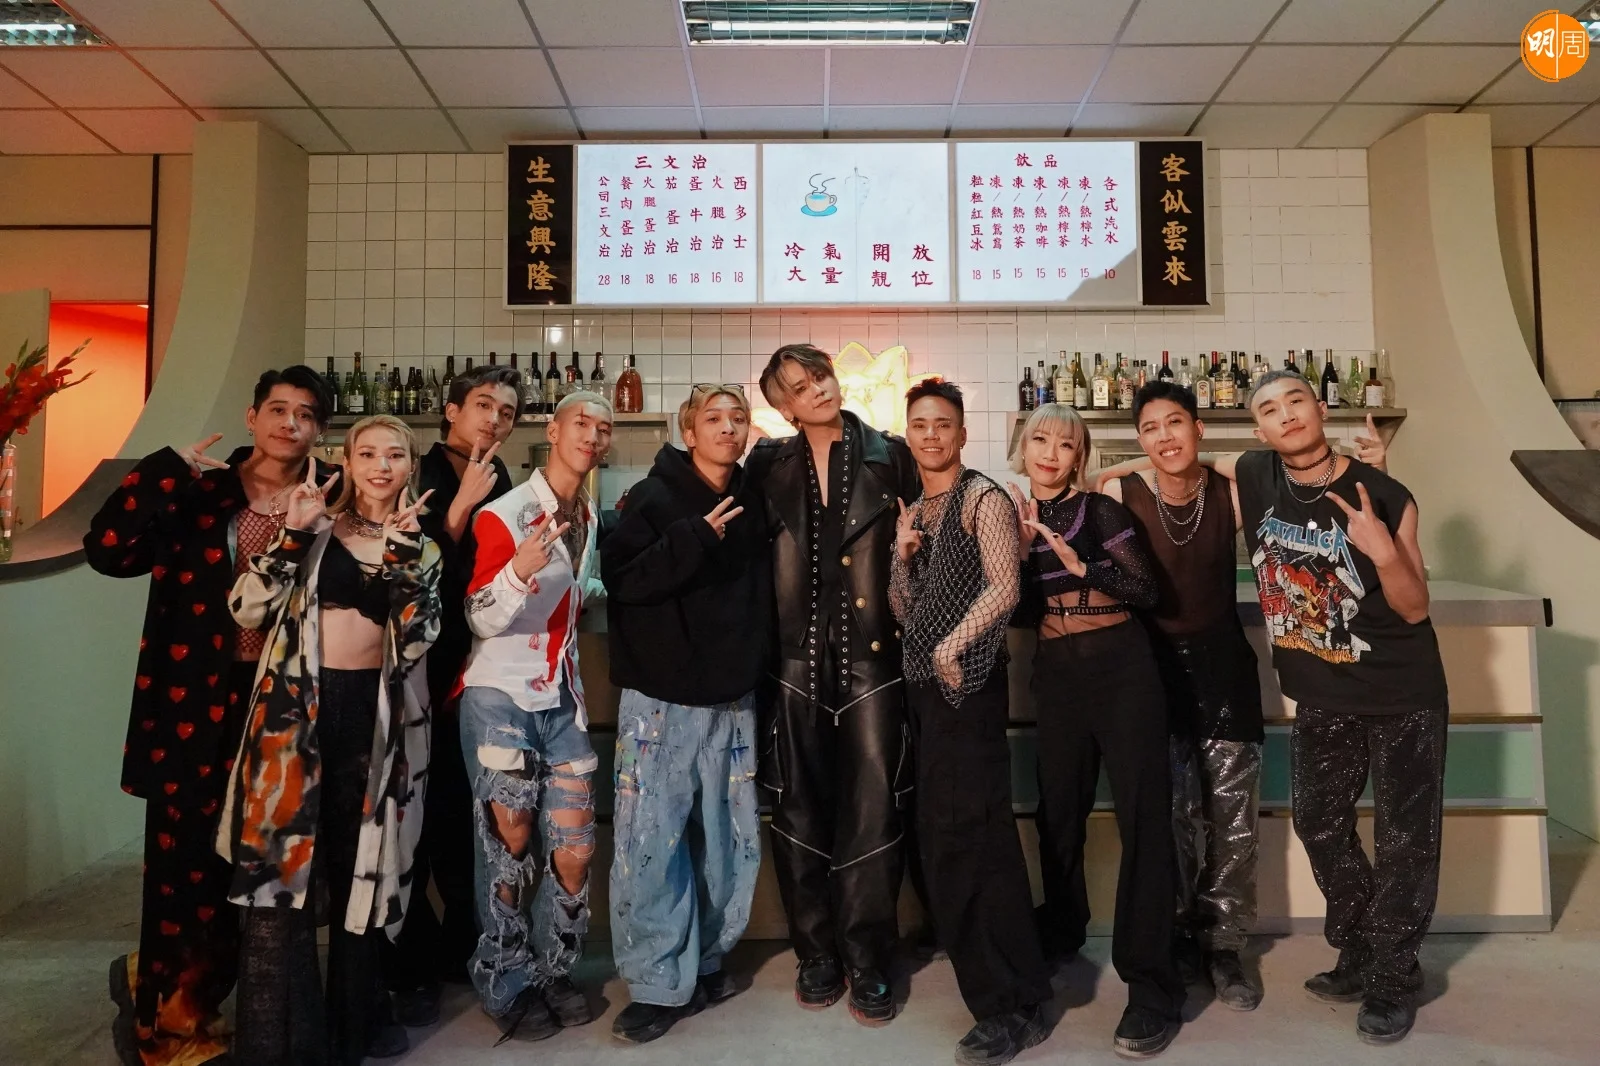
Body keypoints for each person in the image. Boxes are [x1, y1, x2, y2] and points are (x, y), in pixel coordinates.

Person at [85, 366, 338, 1066]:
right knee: (184, 863)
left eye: (305, 414)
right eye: (278, 410)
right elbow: (107, 551)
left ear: (319, 430)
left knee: (254, 868)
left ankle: (190, 997)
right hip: (193, 699)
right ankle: (170, 1028)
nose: (290, 424)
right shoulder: (199, 492)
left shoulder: (329, 496)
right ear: (253, 418)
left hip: (284, 703)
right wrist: (161, 470)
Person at [1227, 370, 1447, 1045]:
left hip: (1401, 691)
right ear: (1259, 430)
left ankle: (1392, 977)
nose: (1286, 414)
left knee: (1406, 839)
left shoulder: (1384, 492)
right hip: (1322, 691)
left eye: (1296, 400)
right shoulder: (1255, 474)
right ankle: (1361, 948)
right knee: (1319, 823)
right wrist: (1106, 472)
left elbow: (1414, 606)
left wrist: (1384, 551)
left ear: (1320, 409)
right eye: (1270, 408)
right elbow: (1177, 463)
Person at [220, 413, 441, 1065]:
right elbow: (246, 608)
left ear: (410, 466)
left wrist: (403, 556)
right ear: (346, 461)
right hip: (296, 715)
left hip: (375, 718)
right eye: (367, 453)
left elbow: (419, 637)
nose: (380, 466)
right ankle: (280, 1041)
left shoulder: (422, 546)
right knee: (279, 875)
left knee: (359, 871)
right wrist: (291, 536)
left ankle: (355, 1026)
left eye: (394, 455)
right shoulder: (314, 530)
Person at [748, 343, 919, 1026]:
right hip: (793, 659)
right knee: (797, 810)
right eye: (798, 386)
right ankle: (816, 953)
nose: (816, 389)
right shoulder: (767, 463)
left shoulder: (891, 453)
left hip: (875, 656)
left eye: (818, 375)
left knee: (874, 809)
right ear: (784, 406)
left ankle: (869, 956)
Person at [1008, 402, 1183, 1058]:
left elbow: (1147, 590)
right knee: (1058, 814)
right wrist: (1018, 557)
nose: (1050, 453)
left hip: (1122, 667)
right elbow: (1021, 613)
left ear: (1079, 456)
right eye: (1040, 440)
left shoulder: (1100, 511)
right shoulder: (1012, 517)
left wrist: (1084, 568)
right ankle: (1061, 929)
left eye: (1065, 444)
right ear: (1023, 447)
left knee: (1144, 818)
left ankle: (1152, 983)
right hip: (1057, 672)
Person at [600, 384, 772, 1044]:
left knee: (728, 843)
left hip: (732, 700)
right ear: (689, 432)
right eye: (713, 418)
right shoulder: (653, 496)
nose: (728, 428)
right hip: (661, 702)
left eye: (738, 418)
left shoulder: (753, 499)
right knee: (652, 844)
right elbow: (623, 579)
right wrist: (693, 537)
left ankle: (703, 961)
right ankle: (654, 981)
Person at [888, 380, 1051, 1066]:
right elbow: (905, 611)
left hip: (969, 685)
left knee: (977, 840)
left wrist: (952, 645)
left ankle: (1014, 1004)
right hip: (926, 692)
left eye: (943, 424)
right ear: (909, 433)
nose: (931, 435)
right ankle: (1000, 986)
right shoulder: (917, 508)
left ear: (961, 432)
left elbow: (1005, 586)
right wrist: (901, 556)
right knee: (944, 840)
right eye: (920, 424)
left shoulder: (982, 497)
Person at [458, 390, 613, 1041]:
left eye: (603, 428)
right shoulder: (505, 513)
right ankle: (504, 976)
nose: (593, 435)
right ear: (553, 430)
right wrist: (517, 573)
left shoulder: (588, 516)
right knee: (511, 844)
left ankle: (554, 970)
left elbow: (580, 590)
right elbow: (477, 616)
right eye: (581, 422)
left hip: (563, 698)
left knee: (575, 848)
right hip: (500, 697)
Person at [384, 362, 521, 1023]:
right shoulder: (416, 472)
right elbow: (409, 569)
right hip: (417, 671)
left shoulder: (504, 477)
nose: (495, 419)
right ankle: (407, 962)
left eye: (507, 412)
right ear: (451, 411)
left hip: (476, 669)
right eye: (484, 405)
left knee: (466, 812)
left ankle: (459, 947)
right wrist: (461, 506)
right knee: (413, 816)